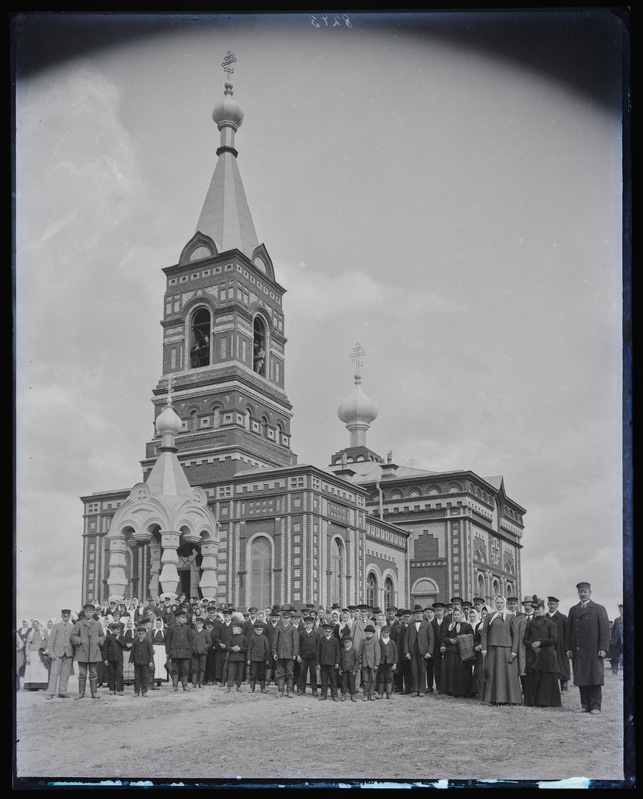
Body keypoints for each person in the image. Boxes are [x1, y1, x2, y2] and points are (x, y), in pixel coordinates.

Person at [564, 581, 611, 714]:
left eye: (585, 592)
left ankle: (596, 706)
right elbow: (569, 631)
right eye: (580, 592)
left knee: (594, 677)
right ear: (578, 593)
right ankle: (584, 705)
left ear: (590, 593)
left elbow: (605, 631)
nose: (582, 594)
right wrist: (568, 648)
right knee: (581, 677)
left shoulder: (598, 608)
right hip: (578, 650)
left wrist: (603, 648)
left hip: (594, 650)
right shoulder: (573, 610)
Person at [479, 595, 522, 705]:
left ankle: (510, 699)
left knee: (508, 674)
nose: (499, 605)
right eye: (497, 603)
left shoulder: (510, 616)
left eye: (501, 603)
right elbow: (484, 633)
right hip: (492, 649)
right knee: (493, 674)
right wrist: (484, 648)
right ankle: (494, 698)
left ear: (504, 603)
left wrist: (514, 650)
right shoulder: (489, 616)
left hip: (507, 649)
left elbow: (515, 635)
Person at [522, 595, 561, 707]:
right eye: (535, 609)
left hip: (547, 655)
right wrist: (532, 645)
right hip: (533, 654)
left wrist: (540, 643)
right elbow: (525, 639)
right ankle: (531, 701)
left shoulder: (550, 623)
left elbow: (554, 639)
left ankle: (545, 701)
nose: (537, 611)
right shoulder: (530, 624)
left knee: (546, 677)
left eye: (539, 609)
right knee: (532, 676)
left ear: (543, 609)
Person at [70, 602, 106, 700]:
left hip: (94, 652)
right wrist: (80, 640)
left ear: (94, 612)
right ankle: (81, 693)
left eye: (90, 611)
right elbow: (73, 636)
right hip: (82, 652)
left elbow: (102, 636)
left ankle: (94, 693)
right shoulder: (79, 623)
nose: (88, 613)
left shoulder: (98, 624)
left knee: (93, 673)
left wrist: (99, 640)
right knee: (82, 674)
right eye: (86, 612)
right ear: (84, 612)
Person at [439, 607, 474, 698]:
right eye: (455, 615)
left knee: (461, 672)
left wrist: (460, 639)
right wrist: (450, 640)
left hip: (462, 652)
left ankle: (462, 691)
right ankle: (451, 690)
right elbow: (443, 637)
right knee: (451, 672)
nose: (456, 616)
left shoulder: (466, 625)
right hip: (450, 652)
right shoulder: (450, 626)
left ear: (461, 615)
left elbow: (471, 636)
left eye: (458, 614)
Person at [404, 604, 434, 697]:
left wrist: (429, 652)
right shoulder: (410, 625)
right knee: (413, 670)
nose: (418, 615)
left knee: (422, 670)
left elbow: (431, 639)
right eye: (417, 613)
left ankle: (422, 689)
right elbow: (406, 639)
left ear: (423, 614)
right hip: (413, 650)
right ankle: (414, 689)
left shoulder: (427, 624)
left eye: (420, 613)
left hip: (423, 650)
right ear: (414, 615)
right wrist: (407, 652)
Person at [44, 609, 75, 699]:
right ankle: (51, 692)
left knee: (65, 674)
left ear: (69, 617)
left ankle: (62, 691)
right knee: (54, 674)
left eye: (68, 617)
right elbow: (51, 641)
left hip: (68, 653)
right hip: (57, 654)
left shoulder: (72, 627)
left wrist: (72, 653)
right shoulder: (56, 626)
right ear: (61, 616)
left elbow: (73, 640)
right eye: (64, 616)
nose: (66, 618)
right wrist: (51, 653)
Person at [165, 609, 194, 692]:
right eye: (182, 617)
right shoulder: (171, 628)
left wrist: (189, 650)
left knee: (185, 670)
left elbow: (190, 640)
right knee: (175, 670)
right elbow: (168, 641)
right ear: (177, 618)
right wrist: (167, 652)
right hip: (175, 653)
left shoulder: (187, 628)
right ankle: (174, 685)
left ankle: (185, 685)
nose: (184, 619)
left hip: (185, 653)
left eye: (184, 617)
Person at [272, 609, 299, 698]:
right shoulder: (278, 628)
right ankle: (280, 690)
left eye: (287, 618)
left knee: (290, 673)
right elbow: (274, 642)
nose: (286, 620)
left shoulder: (293, 629)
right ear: (281, 619)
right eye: (284, 618)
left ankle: (290, 690)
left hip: (289, 655)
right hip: (280, 654)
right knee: (280, 673)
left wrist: (295, 654)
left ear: (290, 619)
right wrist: (275, 653)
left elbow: (295, 643)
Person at [546, 596, 571, 692]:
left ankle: (564, 686)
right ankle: (551, 687)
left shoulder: (563, 618)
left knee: (562, 665)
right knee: (549, 665)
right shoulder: (545, 617)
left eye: (554, 604)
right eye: (550, 604)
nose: (552, 606)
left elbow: (568, 633)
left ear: (557, 605)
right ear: (547, 605)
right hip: (548, 646)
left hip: (561, 646)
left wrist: (567, 647)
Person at [22, 619, 50, 691]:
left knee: (42, 669)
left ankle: (42, 686)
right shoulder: (30, 633)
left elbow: (48, 642)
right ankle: (32, 686)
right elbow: (27, 644)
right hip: (32, 653)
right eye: (34, 624)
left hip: (41, 652)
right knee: (32, 669)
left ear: (39, 624)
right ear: (32, 625)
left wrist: (47, 650)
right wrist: (27, 655)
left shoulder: (44, 631)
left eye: (36, 624)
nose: (35, 625)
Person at [128, 625, 155, 697]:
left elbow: (150, 653)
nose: (141, 635)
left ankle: (144, 691)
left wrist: (151, 661)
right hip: (137, 663)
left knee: (145, 678)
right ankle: (136, 691)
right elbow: (132, 652)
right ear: (137, 634)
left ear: (145, 634)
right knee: (137, 678)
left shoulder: (147, 642)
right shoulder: (135, 642)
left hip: (145, 663)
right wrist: (130, 661)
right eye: (139, 634)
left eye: (142, 634)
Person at [103, 621, 128, 695]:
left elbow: (125, 646)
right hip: (110, 659)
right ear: (113, 630)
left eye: (119, 629)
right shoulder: (109, 637)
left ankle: (120, 689)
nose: (118, 631)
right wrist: (105, 659)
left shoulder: (122, 637)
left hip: (119, 659)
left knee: (119, 674)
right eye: (116, 629)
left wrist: (118, 639)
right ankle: (112, 688)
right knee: (111, 674)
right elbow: (105, 649)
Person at [297, 615, 319, 696]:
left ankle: (314, 690)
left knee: (313, 674)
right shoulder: (301, 633)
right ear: (304, 625)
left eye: (310, 624)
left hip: (313, 657)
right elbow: (298, 645)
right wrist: (298, 655)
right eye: (307, 624)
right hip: (303, 656)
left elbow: (318, 647)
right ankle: (302, 689)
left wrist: (317, 658)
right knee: (302, 673)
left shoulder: (316, 634)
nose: (308, 625)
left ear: (313, 624)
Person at [317, 622, 340, 701]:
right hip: (323, 663)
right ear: (323, 631)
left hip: (332, 664)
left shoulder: (335, 641)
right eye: (326, 631)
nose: (327, 633)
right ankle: (323, 694)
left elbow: (337, 652)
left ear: (332, 632)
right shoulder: (321, 640)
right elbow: (318, 652)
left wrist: (337, 662)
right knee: (324, 680)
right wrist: (318, 663)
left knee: (333, 680)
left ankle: (334, 695)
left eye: (329, 631)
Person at [247, 619, 271, 693]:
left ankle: (262, 688)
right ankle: (252, 688)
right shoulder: (252, 638)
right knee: (252, 674)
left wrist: (267, 659)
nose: (259, 631)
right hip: (254, 658)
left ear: (262, 630)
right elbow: (249, 649)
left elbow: (267, 650)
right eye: (257, 630)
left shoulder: (264, 638)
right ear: (254, 630)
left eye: (260, 630)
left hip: (262, 659)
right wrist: (248, 658)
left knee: (262, 674)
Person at [359, 624, 380, 701]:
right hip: (365, 663)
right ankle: (365, 694)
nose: (368, 635)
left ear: (373, 634)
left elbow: (378, 653)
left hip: (373, 664)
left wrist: (376, 664)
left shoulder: (375, 641)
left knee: (373, 680)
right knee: (365, 680)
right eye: (367, 633)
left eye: (370, 633)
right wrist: (360, 661)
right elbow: (360, 652)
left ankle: (372, 694)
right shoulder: (363, 641)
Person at [226, 619, 248, 692]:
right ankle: (229, 686)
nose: (233, 630)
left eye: (235, 629)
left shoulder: (244, 638)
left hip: (241, 658)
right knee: (231, 672)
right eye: (233, 629)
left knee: (240, 673)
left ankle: (238, 686)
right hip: (232, 658)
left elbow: (247, 648)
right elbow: (227, 647)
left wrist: (240, 649)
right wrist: (232, 648)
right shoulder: (231, 637)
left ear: (239, 630)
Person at [377, 625, 397, 699]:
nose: (386, 634)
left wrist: (395, 663)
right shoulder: (379, 642)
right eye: (384, 632)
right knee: (381, 678)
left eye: (387, 633)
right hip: (381, 662)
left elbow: (395, 654)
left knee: (389, 678)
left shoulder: (392, 642)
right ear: (381, 633)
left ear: (389, 633)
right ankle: (380, 693)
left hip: (390, 663)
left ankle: (389, 693)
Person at [191, 616, 212, 689]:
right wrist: (193, 649)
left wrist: (203, 648)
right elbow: (191, 642)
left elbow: (209, 643)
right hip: (195, 653)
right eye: (197, 623)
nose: (198, 625)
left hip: (203, 653)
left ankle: (200, 683)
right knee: (194, 668)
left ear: (203, 624)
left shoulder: (205, 632)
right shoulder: (193, 632)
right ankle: (194, 683)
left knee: (202, 668)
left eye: (200, 624)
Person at [608, 604, 624, 676]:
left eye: (623, 610)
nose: (622, 611)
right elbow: (613, 631)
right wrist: (612, 640)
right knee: (615, 657)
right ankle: (614, 671)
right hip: (617, 642)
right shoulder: (616, 620)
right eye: (621, 610)